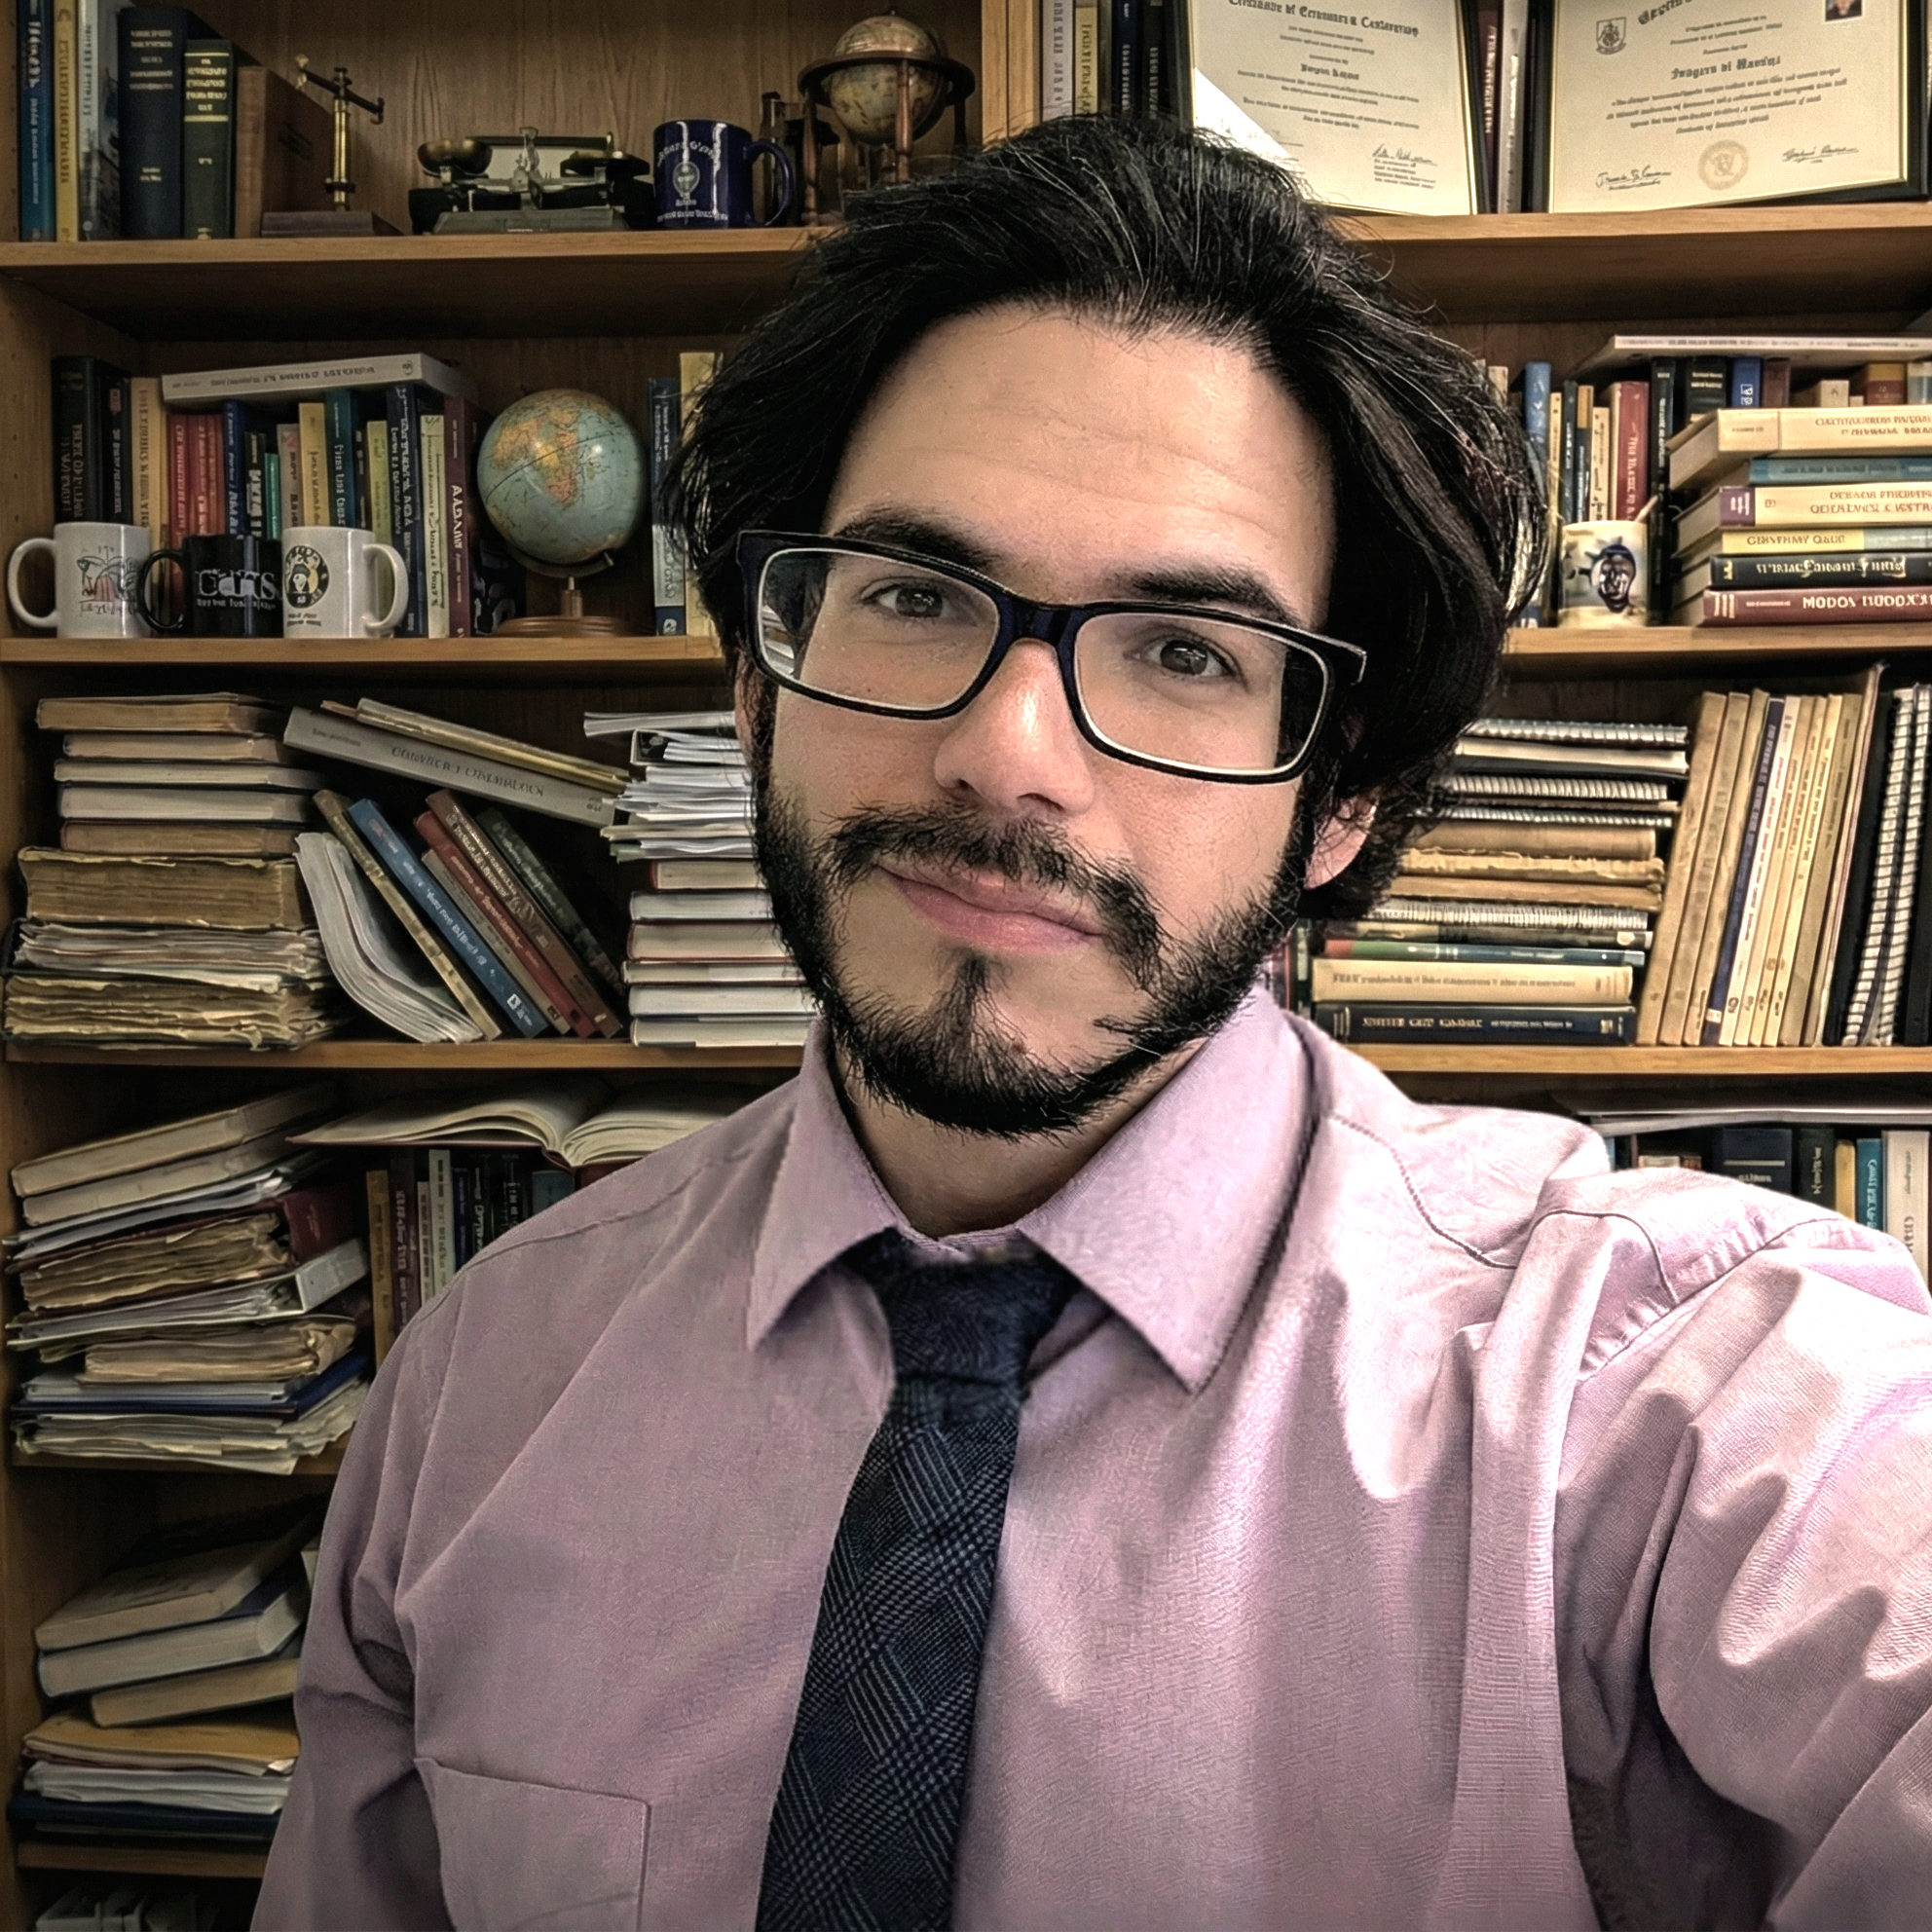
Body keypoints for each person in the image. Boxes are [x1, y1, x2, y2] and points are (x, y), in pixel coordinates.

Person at [255, 117, 1932, 1931]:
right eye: (911, 597)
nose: (1011, 755)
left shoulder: (1657, 1398)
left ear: (1344, 797)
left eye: (1188, 649)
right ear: (753, 680)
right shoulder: (477, 1395)